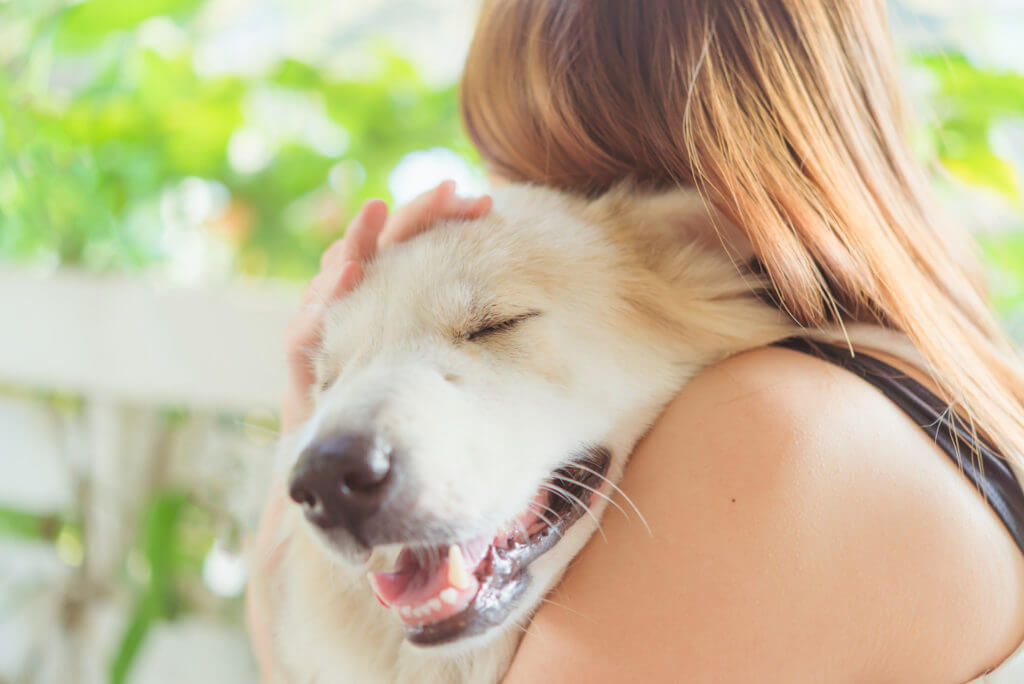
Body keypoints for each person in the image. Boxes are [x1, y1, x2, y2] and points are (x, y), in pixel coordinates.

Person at [247, 1, 1024, 681]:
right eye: (500, 168)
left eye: (540, 174)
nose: (497, 203)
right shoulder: (918, 391)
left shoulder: (769, 428)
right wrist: (311, 391)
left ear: (718, 233)